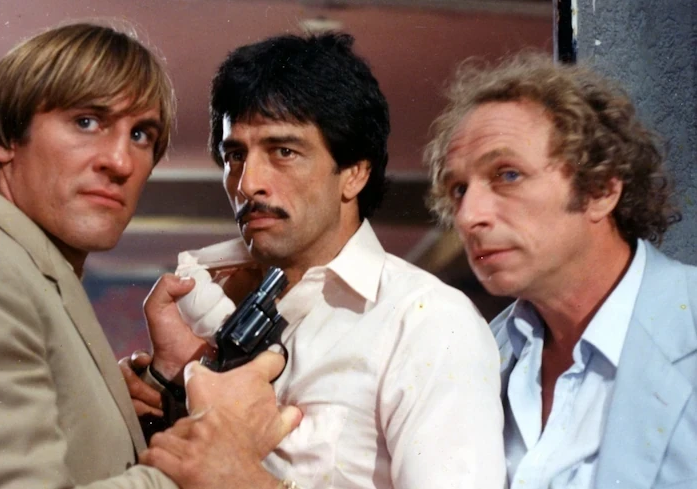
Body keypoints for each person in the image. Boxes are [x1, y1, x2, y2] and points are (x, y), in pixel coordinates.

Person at [0, 22, 298, 489]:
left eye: (140, 135)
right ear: (4, 138)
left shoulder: (22, 273)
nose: (120, 162)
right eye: (87, 122)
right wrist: (206, 463)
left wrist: (166, 387)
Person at [130, 33, 506, 489]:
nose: (248, 183)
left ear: (354, 173)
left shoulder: (426, 321)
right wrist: (169, 382)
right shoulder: (216, 304)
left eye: (283, 152)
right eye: (235, 155)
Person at [424, 52, 697, 488]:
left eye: (507, 175)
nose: (470, 215)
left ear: (600, 189)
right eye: (458, 189)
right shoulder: (475, 355)